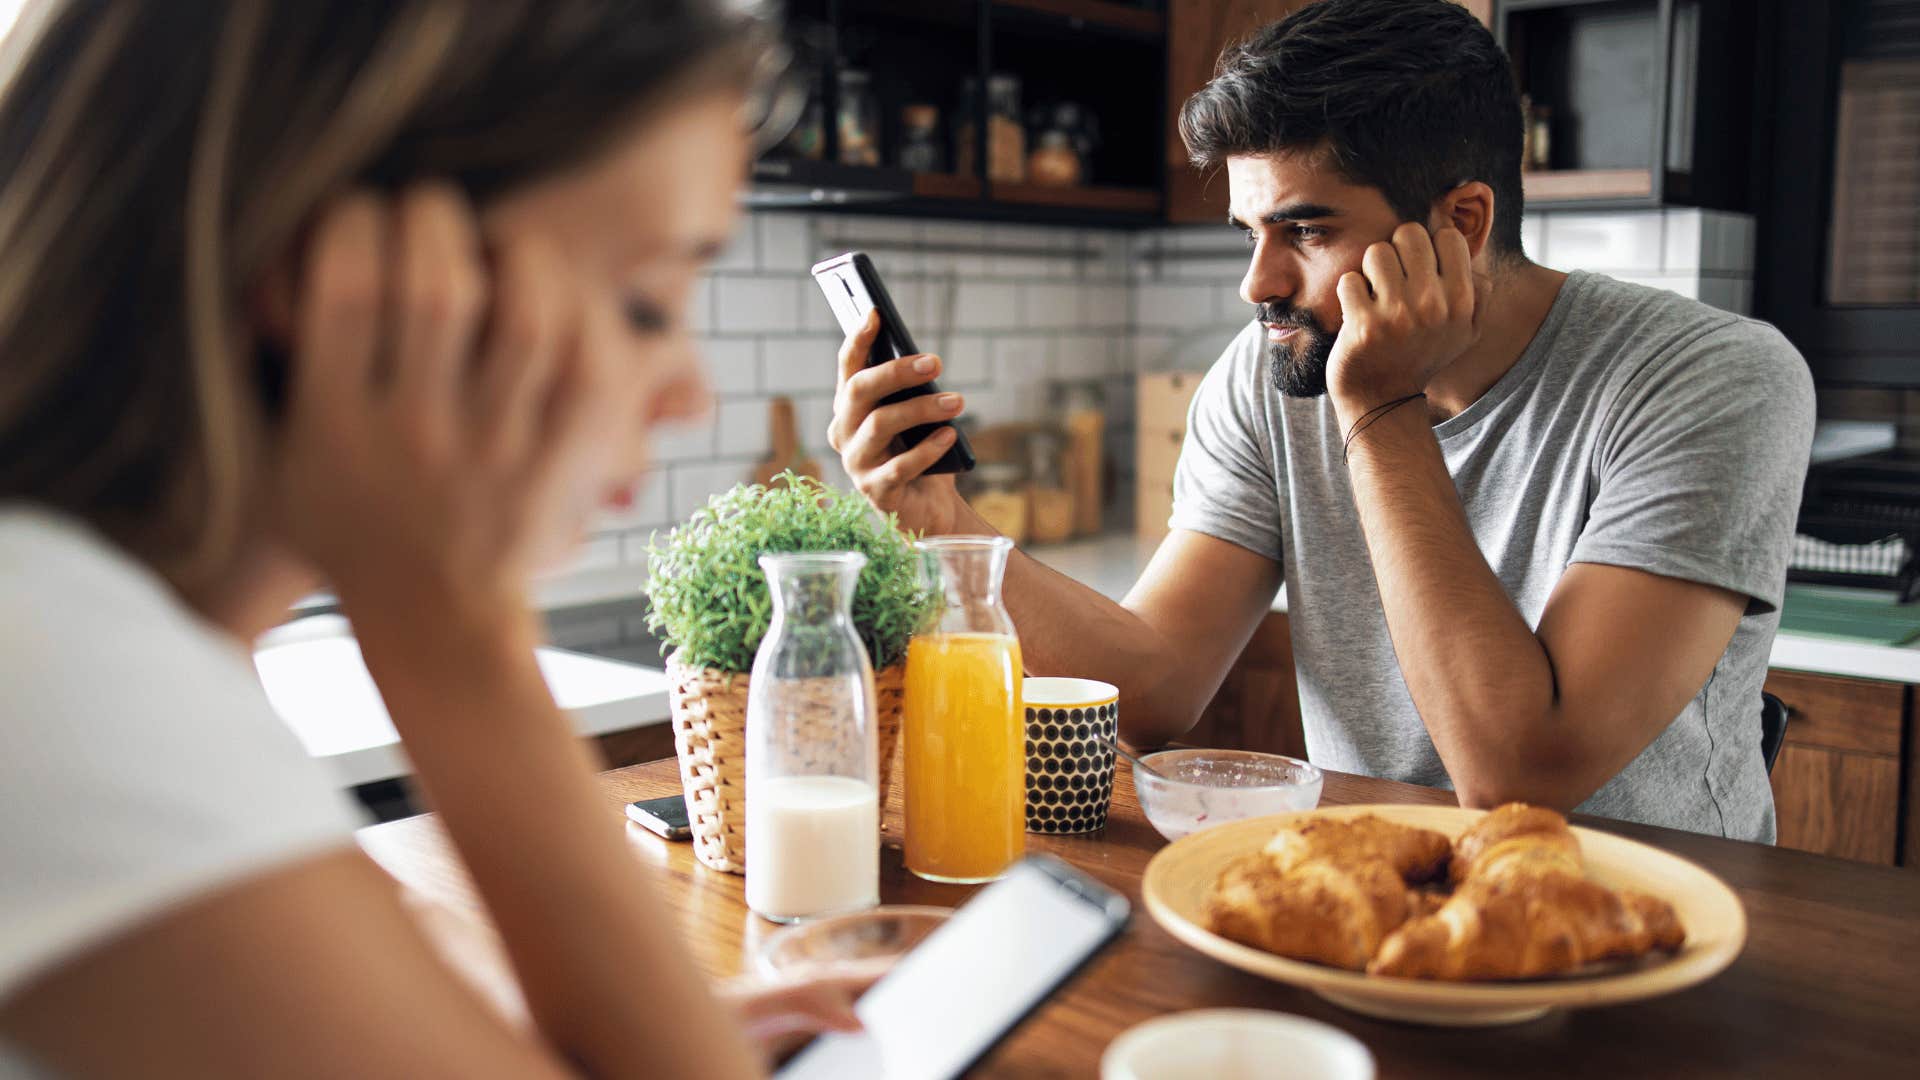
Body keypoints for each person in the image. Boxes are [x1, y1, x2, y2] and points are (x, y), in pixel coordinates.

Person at [0, 2, 863, 1076]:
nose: (690, 393)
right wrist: (460, 635)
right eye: (646, 304)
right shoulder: (68, 685)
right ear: (345, 273)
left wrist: (639, 1022)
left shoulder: (107, 629)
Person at [829, 0, 1814, 842]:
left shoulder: (1717, 380)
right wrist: (940, 518)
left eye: (1305, 231)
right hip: (1375, 898)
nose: (1258, 283)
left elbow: (1521, 778)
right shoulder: (1270, 376)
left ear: (1461, 223)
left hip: (1652, 932)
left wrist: (1381, 408)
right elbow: (1158, 685)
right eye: (1249, 234)